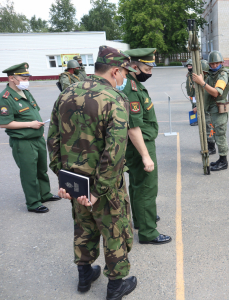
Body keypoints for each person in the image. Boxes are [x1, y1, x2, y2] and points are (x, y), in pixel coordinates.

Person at [47, 45, 138, 298]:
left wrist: (63, 179)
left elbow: (53, 138)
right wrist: (100, 189)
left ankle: (84, 277)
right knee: (114, 230)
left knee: (83, 226)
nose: (125, 79)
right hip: (104, 186)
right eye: (124, 74)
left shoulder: (66, 93)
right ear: (115, 71)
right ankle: (115, 286)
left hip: (75, 181)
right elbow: (116, 150)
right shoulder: (114, 99)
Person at [122, 48, 172, 245]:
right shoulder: (131, 90)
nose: (149, 72)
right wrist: (145, 155)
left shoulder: (132, 84)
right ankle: (148, 232)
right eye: (146, 68)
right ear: (134, 67)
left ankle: (141, 219)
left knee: (137, 185)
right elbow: (133, 127)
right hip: (140, 144)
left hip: (139, 142)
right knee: (146, 187)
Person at [0, 63, 60, 213]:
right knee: (29, 173)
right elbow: (4, 123)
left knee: (41, 169)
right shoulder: (5, 98)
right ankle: (33, 202)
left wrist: (38, 128)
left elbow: (35, 111)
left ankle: (44, 194)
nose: (26, 79)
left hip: (37, 138)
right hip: (23, 142)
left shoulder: (25, 92)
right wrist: (30, 124)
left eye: (27, 76)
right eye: (23, 77)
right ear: (12, 78)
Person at [192, 50, 229, 171]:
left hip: (219, 110)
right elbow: (207, 94)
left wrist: (202, 83)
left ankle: (224, 161)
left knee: (220, 135)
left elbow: (215, 92)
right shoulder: (212, 75)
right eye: (212, 64)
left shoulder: (222, 75)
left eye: (216, 63)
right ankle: (221, 159)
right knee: (216, 135)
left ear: (221, 62)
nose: (214, 66)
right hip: (212, 109)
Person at [192, 60, 216, 155]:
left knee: (209, 128)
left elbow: (206, 95)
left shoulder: (208, 80)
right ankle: (208, 145)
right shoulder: (203, 80)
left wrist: (198, 107)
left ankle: (212, 147)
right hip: (204, 108)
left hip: (209, 109)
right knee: (205, 128)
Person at [185, 59, 198, 126]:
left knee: (196, 106)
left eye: (190, 66)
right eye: (188, 66)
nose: (189, 67)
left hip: (195, 93)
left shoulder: (195, 74)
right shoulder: (189, 74)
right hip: (191, 93)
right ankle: (194, 120)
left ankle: (197, 120)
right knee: (193, 106)